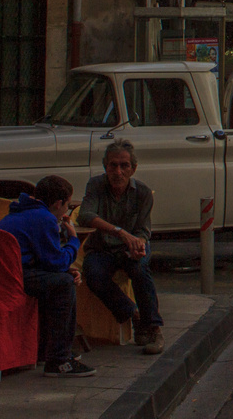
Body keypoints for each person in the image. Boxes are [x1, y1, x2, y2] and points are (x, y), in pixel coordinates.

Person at [0, 175, 95, 377]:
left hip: (3, 276)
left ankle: (45, 349)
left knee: (60, 280)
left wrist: (65, 268)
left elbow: (45, 259)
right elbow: (56, 261)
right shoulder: (44, 218)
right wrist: (74, 240)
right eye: (67, 206)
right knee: (64, 285)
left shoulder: (21, 212)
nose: (66, 212)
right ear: (58, 203)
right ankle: (59, 360)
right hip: (14, 278)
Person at [77, 140, 164, 354]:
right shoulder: (96, 185)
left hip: (130, 248)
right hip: (102, 248)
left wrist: (138, 244)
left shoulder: (142, 192)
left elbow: (143, 230)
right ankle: (134, 316)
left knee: (140, 270)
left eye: (124, 165)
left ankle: (154, 328)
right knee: (93, 274)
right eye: (113, 165)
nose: (118, 171)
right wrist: (120, 232)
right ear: (105, 167)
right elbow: (85, 215)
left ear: (133, 168)